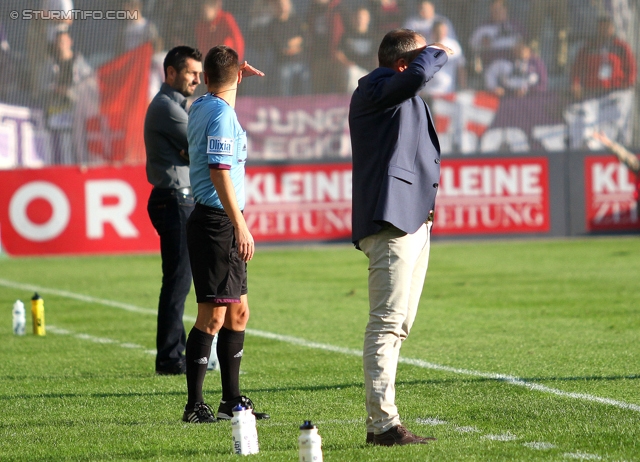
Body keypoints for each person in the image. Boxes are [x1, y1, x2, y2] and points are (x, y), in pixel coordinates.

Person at [349, 29, 451, 446]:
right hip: (391, 221)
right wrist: (439, 50)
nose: (433, 58)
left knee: (399, 324)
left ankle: (384, 422)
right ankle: (382, 425)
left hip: (412, 220)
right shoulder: (374, 86)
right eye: (423, 53)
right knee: (387, 323)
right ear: (405, 63)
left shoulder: (394, 88)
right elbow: (417, 75)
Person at [182, 45, 268, 423]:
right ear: (236, 77)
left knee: (238, 314)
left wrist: (232, 78)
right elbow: (219, 172)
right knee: (212, 317)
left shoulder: (203, 105)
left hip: (219, 222)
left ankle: (231, 400)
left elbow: (219, 86)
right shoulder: (219, 115)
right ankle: (194, 405)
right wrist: (240, 224)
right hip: (218, 224)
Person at [144, 46, 203, 376]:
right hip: (174, 199)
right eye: (191, 73)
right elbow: (201, 146)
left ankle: (176, 352)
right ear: (170, 73)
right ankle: (169, 358)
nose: (197, 79)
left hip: (179, 198)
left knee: (180, 279)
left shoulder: (176, 105)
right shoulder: (166, 107)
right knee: (179, 281)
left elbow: (193, 147)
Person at [570, 16, 636, 100]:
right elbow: (577, 68)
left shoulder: (621, 47)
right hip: (591, 90)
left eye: (607, 27)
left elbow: (631, 67)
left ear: (612, 28)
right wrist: (575, 84)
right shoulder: (588, 47)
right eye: (602, 27)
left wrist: (628, 83)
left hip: (615, 90)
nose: (604, 30)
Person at [266, 0, 310, 96]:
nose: (283, 7)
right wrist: (297, 42)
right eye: (280, 5)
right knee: (284, 76)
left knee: (306, 77)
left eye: (285, 5)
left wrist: (293, 43)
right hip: (283, 63)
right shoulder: (272, 25)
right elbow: (280, 47)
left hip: (301, 62)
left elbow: (307, 39)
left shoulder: (297, 20)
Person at [335, 5, 377, 93]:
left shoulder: (374, 37)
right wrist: (347, 63)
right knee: (351, 72)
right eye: (358, 17)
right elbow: (338, 53)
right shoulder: (347, 35)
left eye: (363, 18)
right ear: (353, 18)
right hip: (351, 72)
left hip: (369, 72)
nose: (360, 20)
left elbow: (378, 57)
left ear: (368, 19)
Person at [422, 20, 466, 98]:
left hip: (447, 92)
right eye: (438, 31)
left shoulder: (453, 46)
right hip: (429, 93)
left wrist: (463, 87)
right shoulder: (425, 47)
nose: (441, 33)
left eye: (443, 31)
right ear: (433, 31)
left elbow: (460, 67)